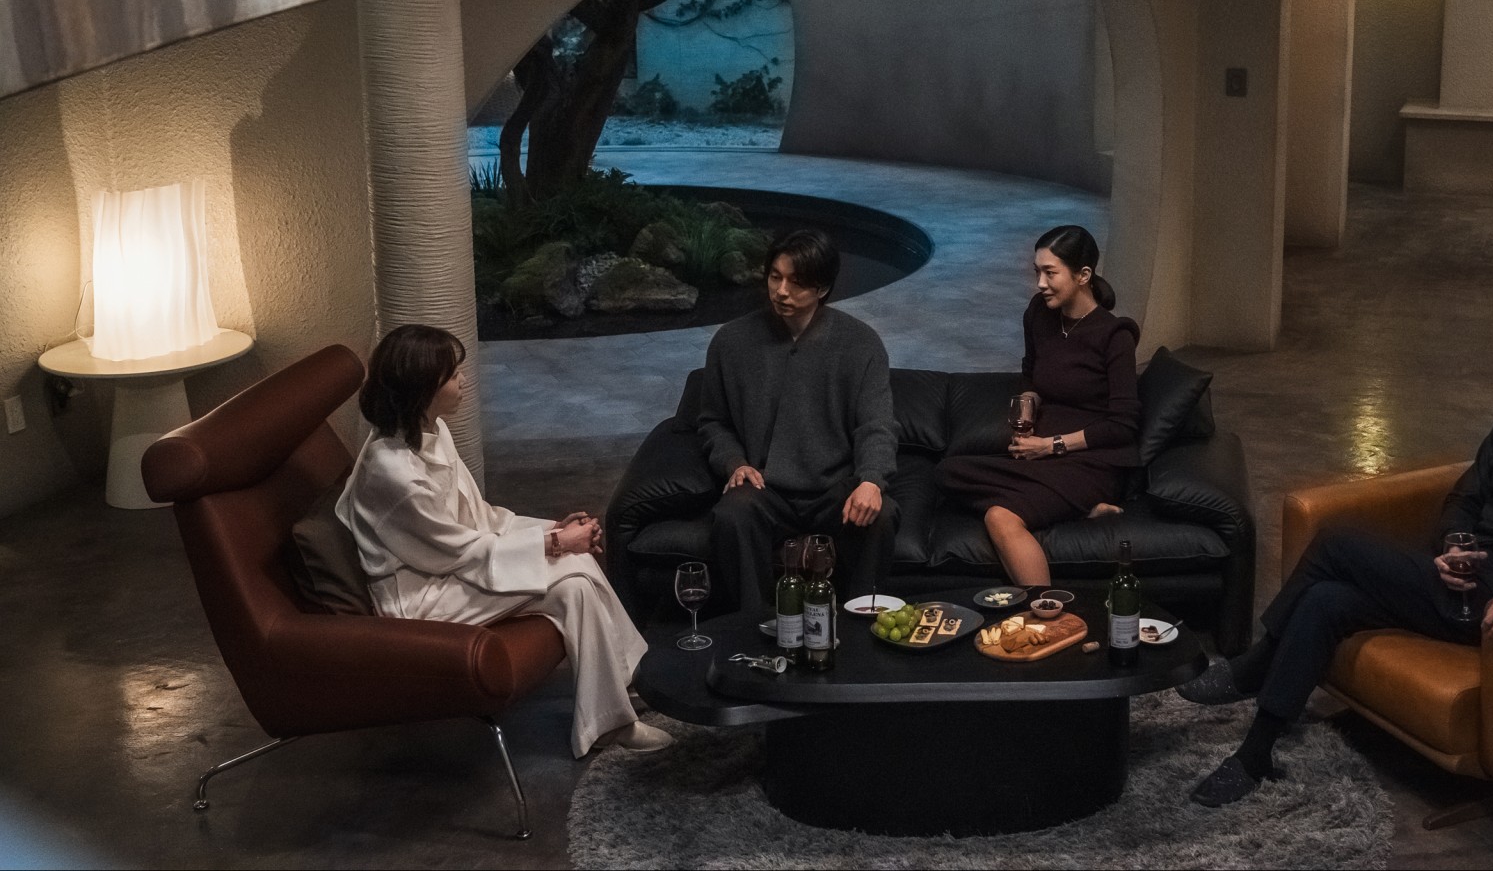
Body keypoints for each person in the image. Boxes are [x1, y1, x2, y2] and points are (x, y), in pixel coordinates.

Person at [1180, 305, 1493, 807]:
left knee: (1337, 541)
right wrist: (1452, 544)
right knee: (1325, 601)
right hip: (1456, 579)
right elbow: (1464, 498)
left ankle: (1255, 666)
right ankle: (1254, 754)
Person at [337, 324, 672, 759]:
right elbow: (455, 551)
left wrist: (550, 530)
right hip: (421, 595)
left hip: (449, 568)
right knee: (572, 567)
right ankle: (627, 690)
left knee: (574, 586)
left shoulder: (431, 430)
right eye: (452, 375)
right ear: (422, 389)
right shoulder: (393, 472)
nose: (464, 380)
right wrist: (556, 544)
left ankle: (614, 710)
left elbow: (480, 518)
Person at [700, 229, 901, 616]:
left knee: (881, 516)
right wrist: (734, 463)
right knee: (731, 515)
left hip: (835, 488)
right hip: (765, 487)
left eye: (796, 282)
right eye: (775, 277)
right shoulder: (731, 341)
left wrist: (872, 481)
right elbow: (712, 421)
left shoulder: (860, 343)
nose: (781, 291)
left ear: (822, 288)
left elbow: (877, 425)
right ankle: (752, 629)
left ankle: (859, 630)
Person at [935, 225, 1141, 586]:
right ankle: (1075, 509)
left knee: (999, 515)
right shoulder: (1039, 314)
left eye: (1050, 273)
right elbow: (1030, 373)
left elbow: (1123, 425)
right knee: (946, 472)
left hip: (1090, 462)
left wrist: (1050, 445)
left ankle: (1044, 613)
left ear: (1083, 275)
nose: (1040, 283)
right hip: (1042, 456)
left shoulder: (1115, 336)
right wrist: (1028, 405)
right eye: (1037, 272)